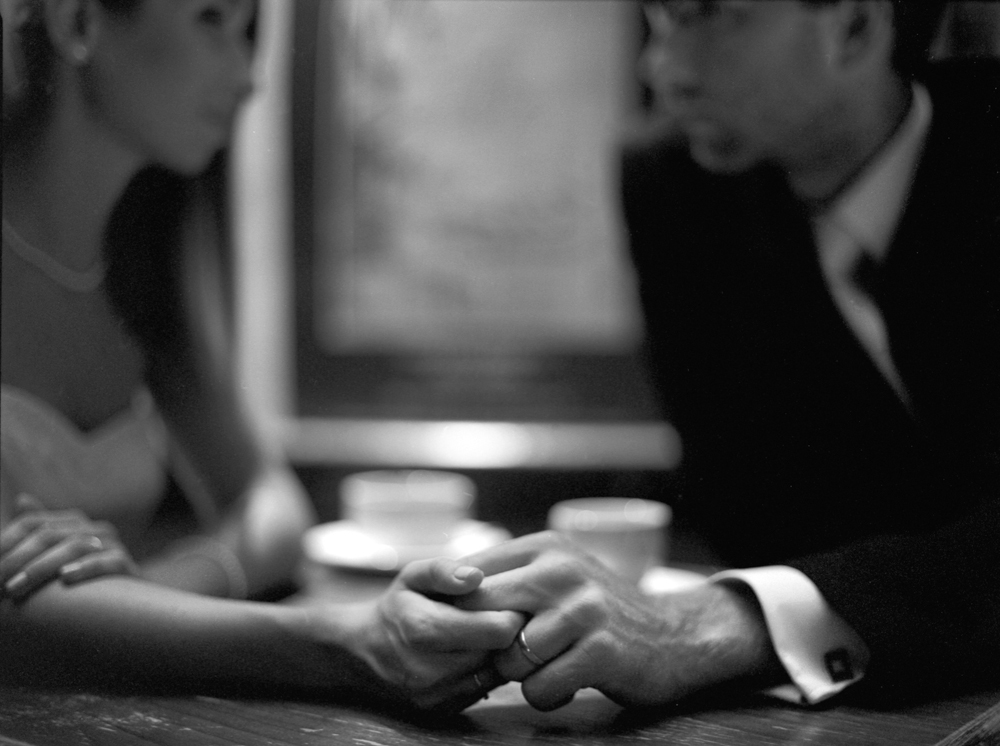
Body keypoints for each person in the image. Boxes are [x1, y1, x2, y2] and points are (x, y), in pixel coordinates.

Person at [451, 0, 1000, 712]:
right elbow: (749, 502)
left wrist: (723, 624)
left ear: (855, 28)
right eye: (659, 19)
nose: (662, 69)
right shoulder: (676, 185)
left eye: (707, 16)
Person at [1, 0, 519, 711]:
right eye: (212, 21)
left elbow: (274, 509)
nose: (248, 78)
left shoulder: (140, 257)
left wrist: (156, 591)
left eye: (248, 34)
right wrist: (343, 644)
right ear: (78, 22)